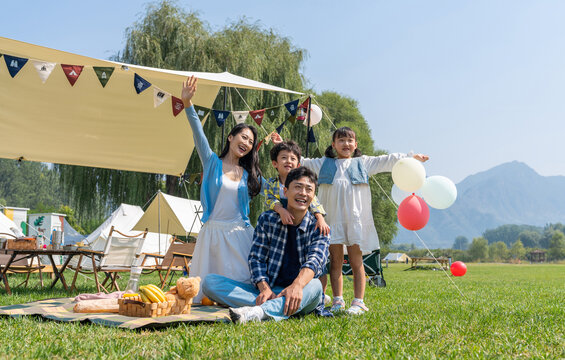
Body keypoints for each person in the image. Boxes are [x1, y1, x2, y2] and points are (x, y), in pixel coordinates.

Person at [299, 127, 429, 315]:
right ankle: (337, 300)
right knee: (334, 262)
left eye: (350, 140)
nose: (346, 144)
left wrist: (411, 157)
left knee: (356, 261)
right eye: (341, 140)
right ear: (333, 144)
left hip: (355, 221)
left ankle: (359, 302)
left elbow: (387, 160)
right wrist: (282, 147)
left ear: (356, 145)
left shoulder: (363, 163)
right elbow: (302, 162)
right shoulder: (323, 164)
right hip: (332, 220)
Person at [202, 167, 330, 323]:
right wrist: (264, 288)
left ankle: (257, 312)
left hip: (301, 289)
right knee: (210, 283)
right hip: (270, 290)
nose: (303, 193)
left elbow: (315, 261)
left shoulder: (320, 228)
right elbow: (256, 258)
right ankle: (280, 307)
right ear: (285, 191)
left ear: (313, 195)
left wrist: (296, 286)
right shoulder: (267, 219)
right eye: (298, 187)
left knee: (316, 285)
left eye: (308, 189)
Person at [181, 76, 262, 303]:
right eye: (243, 137)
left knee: (244, 279)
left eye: (250, 142)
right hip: (213, 233)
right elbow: (199, 134)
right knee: (206, 291)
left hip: (239, 234)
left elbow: (275, 191)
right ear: (230, 137)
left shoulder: (249, 175)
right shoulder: (212, 162)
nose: (246, 143)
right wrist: (188, 104)